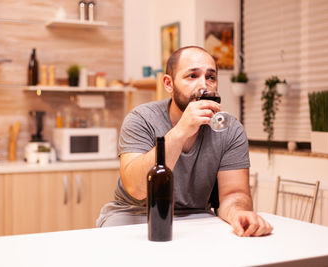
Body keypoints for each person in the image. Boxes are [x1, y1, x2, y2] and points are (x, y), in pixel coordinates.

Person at [97, 46, 273, 237]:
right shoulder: (141, 119)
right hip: (133, 215)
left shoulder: (230, 130)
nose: (204, 85)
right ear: (168, 84)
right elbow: (137, 189)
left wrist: (238, 212)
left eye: (210, 77)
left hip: (196, 218)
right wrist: (181, 130)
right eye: (192, 76)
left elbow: (234, 195)